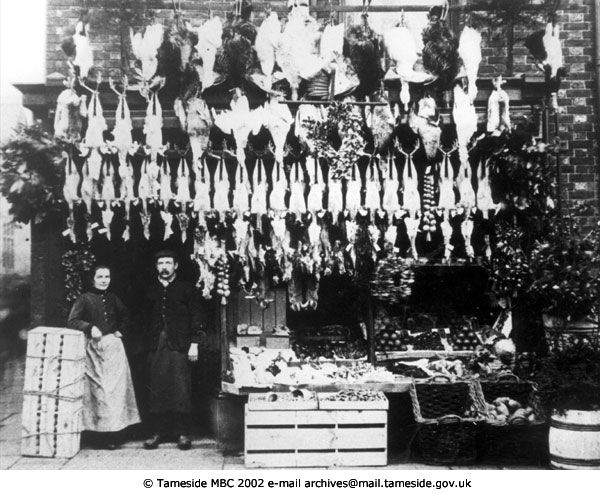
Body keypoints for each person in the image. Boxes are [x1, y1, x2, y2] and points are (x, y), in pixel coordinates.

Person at [67, 265, 140, 449]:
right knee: (99, 392)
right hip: (94, 351)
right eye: (100, 276)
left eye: (107, 276)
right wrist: (90, 327)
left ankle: (114, 434)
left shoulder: (113, 298)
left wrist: (120, 331)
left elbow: (126, 316)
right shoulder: (84, 299)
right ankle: (98, 435)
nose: (104, 280)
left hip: (114, 350)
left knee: (115, 392)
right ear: (92, 279)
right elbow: (72, 321)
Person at [143, 250, 204, 450]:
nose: (164, 266)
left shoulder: (187, 289)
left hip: (179, 345)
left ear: (176, 266)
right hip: (155, 345)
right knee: (157, 388)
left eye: (168, 262)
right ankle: (157, 432)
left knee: (181, 389)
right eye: (161, 263)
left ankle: (183, 433)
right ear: (156, 267)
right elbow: (139, 318)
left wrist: (194, 343)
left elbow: (196, 317)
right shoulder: (150, 290)